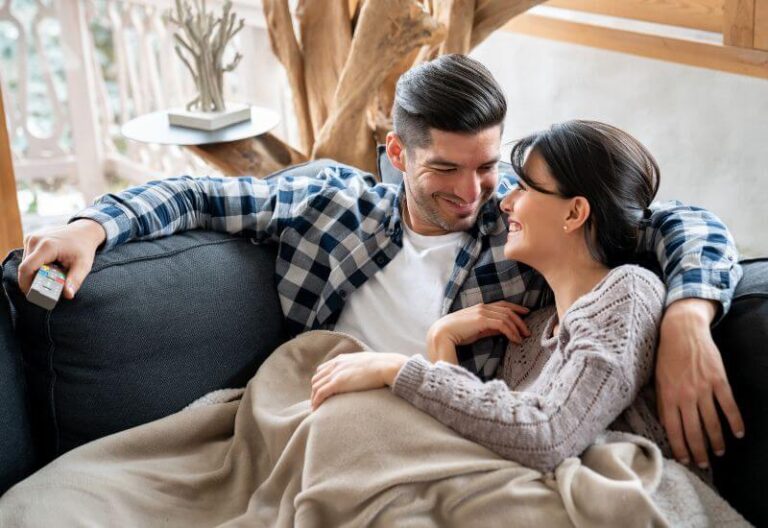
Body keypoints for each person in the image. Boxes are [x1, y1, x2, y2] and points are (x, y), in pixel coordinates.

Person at [17, 55, 742, 470]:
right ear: (397, 154)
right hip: (328, 418)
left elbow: (671, 221)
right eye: (445, 169)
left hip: (446, 440)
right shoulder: (330, 203)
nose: (472, 192)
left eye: (487, 166)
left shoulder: (524, 228)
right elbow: (202, 192)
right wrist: (92, 226)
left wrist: (689, 314)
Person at [310, 120, 671, 470]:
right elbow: (473, 449)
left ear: (575, 212)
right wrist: (441, 339)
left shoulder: (627, 292)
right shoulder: (528, 336)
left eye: (525, 188)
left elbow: (547, 437)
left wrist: (396, 368)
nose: (505, 202)